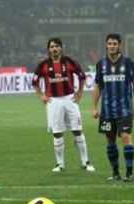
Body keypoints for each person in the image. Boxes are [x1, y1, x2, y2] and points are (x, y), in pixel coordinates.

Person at [32, 37, 95, 172]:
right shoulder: (43, 65)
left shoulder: (69, 61)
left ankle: (85, 162)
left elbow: (82, 76)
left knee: (77, 130)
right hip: (53, 101)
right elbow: (35, 82)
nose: (54, 49)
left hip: (69, 99)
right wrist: (41, 95)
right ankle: (60, 164)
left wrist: (79, 93)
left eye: (56, 46)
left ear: (61, 47)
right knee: (57, 133)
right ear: (48, 49)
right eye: (52, 47)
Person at [91, 33, 134, 182]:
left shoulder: (128, 63)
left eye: (114, 44)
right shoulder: (101, 64)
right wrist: (93, 107)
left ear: (120, 45)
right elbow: (98, 86)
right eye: (109, 44)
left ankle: (129, 172)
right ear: (106, 45)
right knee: (110, 140)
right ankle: (115, 172)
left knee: (125, 137)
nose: (112, 46)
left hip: (124, 109)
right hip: (107, 111)